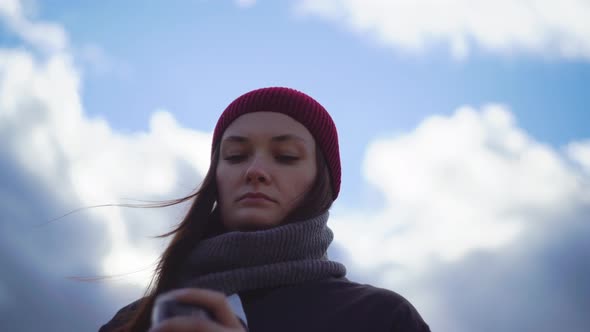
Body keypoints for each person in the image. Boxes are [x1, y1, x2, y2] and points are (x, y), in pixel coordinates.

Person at [99, 87, 431, 332]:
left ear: (322, 184)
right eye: (235, 156)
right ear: (216, 176)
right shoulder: (131, 322)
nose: (255, 170)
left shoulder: (380, 318)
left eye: (286, 156)